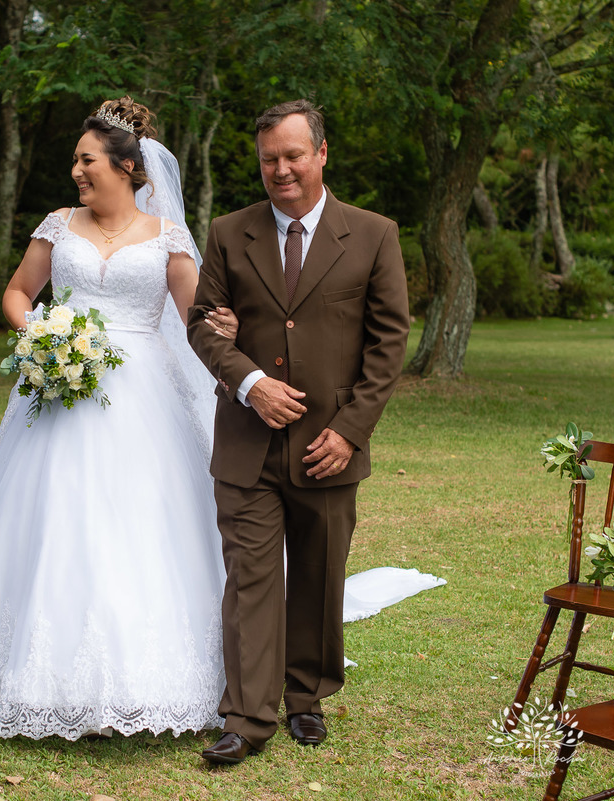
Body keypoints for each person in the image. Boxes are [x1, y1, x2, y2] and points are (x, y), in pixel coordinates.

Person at [0, 97, 229, 740]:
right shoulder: (57, 225)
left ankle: (148, 680)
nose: (77, 171)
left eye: (87, 160)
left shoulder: (168, 239)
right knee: (52, 515)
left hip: (145, 397)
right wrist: (43, 339)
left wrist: (228, 332)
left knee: (142, 521)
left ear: (125, 166)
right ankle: (26, 673)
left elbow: (197, 321)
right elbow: (16, 292)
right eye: (75, 161)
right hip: (58, 391)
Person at [187, 99, 410, 764]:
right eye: (268, 159)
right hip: (246, 442)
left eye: (292, 155)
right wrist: (249, 381)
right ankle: (247, 716)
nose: (280, 170)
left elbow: (388, 341)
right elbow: (201, 321)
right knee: (250, 578)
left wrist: (349, 430)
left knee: (318, 576)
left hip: (327, 446)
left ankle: (305, 697)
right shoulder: (229, 233)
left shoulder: (373, 234)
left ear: (320, 153)